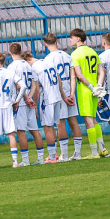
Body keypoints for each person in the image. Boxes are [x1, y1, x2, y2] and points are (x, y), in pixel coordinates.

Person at [42, 32, 81, 161]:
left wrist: (64, 97)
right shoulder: (66, 55)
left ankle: (64, 155)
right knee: (74, 122)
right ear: (56, 42)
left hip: (59, 94)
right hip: (69, 91)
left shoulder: (48, 59)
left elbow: (57, 80)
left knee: (61, 123)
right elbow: (73, 76)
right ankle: (77, 153)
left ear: (45, 44)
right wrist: (72, 94)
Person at [69, 28, 107, 158]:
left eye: (72, 38)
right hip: (95, 91)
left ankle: (94, 152)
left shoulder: (75, 54)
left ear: (78, 38)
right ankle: (102, 148)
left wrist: (91, 87)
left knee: (88, 120)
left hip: (85, 90)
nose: (70, 40)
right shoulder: (93, 51)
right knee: (94, 119)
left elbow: (79, 75)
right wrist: (98, 87)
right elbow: (101, 72)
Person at [7, 43, 43, 166]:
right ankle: (41, 158)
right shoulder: (28, 65)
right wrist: (31, 98)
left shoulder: (12, 67)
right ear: (21, 51)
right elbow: (34, 84)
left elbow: (18, 86)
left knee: (21, 131)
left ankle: (26, 160)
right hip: (30, 103)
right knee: (35, 131)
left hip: (20, 102)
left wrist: (26, 98)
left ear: (10, 52)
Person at [34, 48, 64, 163]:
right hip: (57, 97)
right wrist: (62, 96)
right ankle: (54, 154)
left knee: (47, 127)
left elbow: (37, 89)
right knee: (52, 127)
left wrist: (35, 105)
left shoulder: (34, 67)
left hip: (47, 99)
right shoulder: (48, 63)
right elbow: (60, 81)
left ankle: (52, 157)